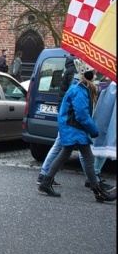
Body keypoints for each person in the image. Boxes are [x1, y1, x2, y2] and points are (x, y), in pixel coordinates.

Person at [37, 61, 115, 202]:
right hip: (74, 128)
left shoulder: (80, 87)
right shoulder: (79, 90)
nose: (96, 74)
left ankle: (46, 182)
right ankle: (97, 191)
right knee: (87, 158)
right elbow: (82, 115)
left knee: (65, 155)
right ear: (88, 74)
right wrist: (94, 130)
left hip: (72, 127)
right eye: (94, 72)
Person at [36, 53, 78, 186]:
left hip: (66, 114)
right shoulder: (73, 71)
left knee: (66, 146)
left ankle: (44, 175)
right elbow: (73, 94)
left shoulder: (69, 69)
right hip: (69, 115)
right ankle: (44, 175)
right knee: (62, 145)